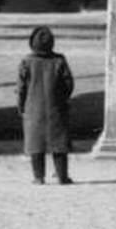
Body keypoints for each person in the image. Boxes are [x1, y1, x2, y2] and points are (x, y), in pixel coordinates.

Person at [17, 25, 74, 184]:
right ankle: (62, 176)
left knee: (36, 143)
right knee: (59, 143)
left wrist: (21, 106)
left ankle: (39, 177)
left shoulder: (26, 62)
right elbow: (69, 83)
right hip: (56, 107)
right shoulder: (59, 60)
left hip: (33, 108)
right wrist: (62, 98)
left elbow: (21, 88)